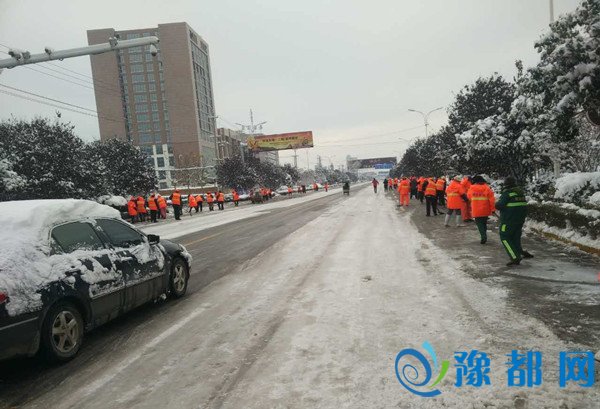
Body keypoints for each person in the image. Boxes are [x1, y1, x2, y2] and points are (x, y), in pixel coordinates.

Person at [495, 176, 533, 266]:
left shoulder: (507, 193)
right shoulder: (521, 194)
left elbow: (499, 206)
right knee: (515, 238)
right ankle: (519, 252)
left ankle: (515, 257)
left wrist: (496, 203)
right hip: (519, 220)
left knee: (504, 237)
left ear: (506, 185)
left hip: (508, 220)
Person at [467, 175, 495, 243]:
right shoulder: (487, 188)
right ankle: (484, 235)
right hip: (485, 208)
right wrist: (493, 209)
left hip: (476, 209)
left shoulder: (472, 188)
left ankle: (483, 236)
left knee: (479, 224)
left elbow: (469, 197)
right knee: (484, 223)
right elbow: (492, 200)